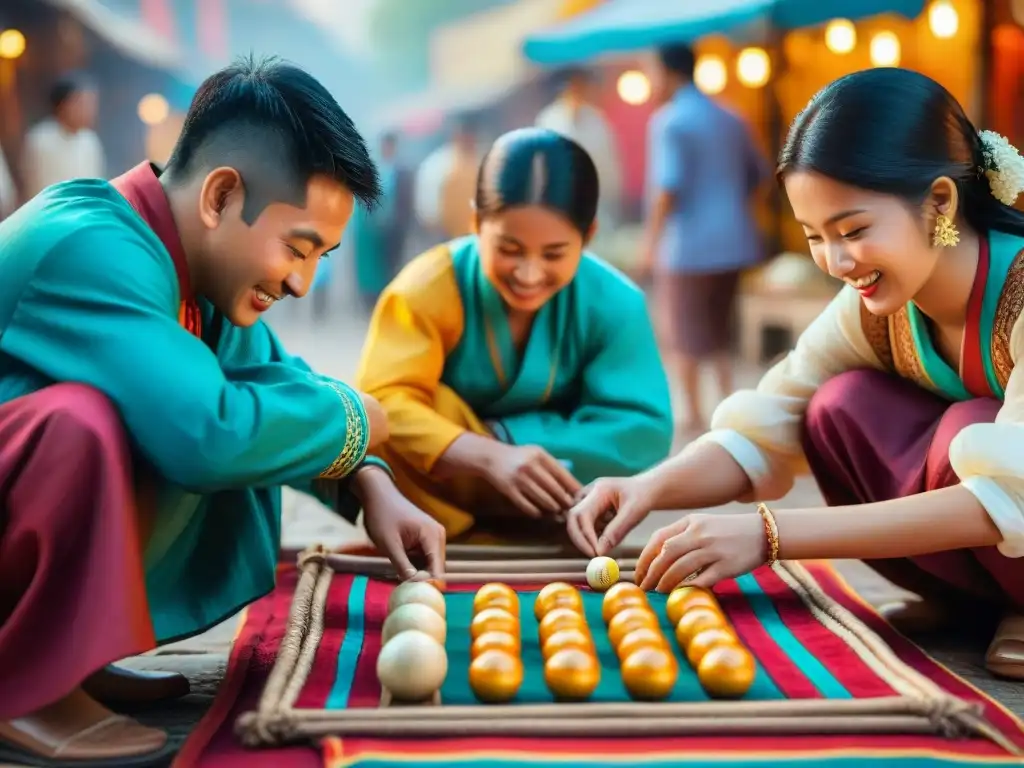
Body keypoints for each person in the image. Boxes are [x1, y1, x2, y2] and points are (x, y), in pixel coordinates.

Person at [0, 57, 446, 765]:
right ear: (221, 195)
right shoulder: (92, 244)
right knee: (86, 424)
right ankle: (25, 683)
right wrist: (362, 415)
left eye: (322, 256)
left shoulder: (194, 262)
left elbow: (278, 382)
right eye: (297, 248)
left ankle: (69, 653)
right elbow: (209, 434)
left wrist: (369, 479)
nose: (302, 282)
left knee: (218, 410)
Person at [569, 68, 1024, 681]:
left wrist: (769, 535)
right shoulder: (869, 312)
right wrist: (647, 487)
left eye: (855, 231)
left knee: (968, 429)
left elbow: (1010, 494)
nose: (837, 263)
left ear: (939, 201)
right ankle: (966, 601)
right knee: (838, 407)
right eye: (815, 236)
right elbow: (765, 426)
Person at [356, 127, 674, 542]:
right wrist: (487, 454)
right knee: (382, 418)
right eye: (509, 249)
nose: (528, 273)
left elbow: (644, 427)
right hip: (443, 495)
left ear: (588, 236)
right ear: (475, 222)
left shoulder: (616, 302)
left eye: (554, 254)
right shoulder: (426, 288)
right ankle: (454, 533)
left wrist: (513, 438)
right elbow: (381, 401)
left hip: (555, 494)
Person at [641, 43, 768, 434]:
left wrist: (649, 243)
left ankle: (694, 416)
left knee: (683, 335)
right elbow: (761, 174)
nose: (650, 81)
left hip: (688, 248)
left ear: (670, 73)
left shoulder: (669, 121)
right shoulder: (731, 116)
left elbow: (667, 188)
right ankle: (730, 409)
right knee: (718, 330)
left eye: (653, 72)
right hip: (735, 241)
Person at [535, 67, 623, 232]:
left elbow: (610, 166)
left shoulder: (597, 120)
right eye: (575, 85)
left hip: (598, 204)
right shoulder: (549, 120)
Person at [22, 72, 106, 198]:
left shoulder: (90, 141)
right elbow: (39, 191)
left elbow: (96, 186)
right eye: (82, 103)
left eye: (91, 104)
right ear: (63, 105)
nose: (90, 110)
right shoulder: (41, 140)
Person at [413, 114, 480, 243]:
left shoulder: (478, 161)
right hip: (447, 238)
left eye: (472, 136)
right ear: (456, 135)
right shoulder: (439, 165)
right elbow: (428, 211)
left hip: (475, 236)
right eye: (465, 135)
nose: (469, 140)